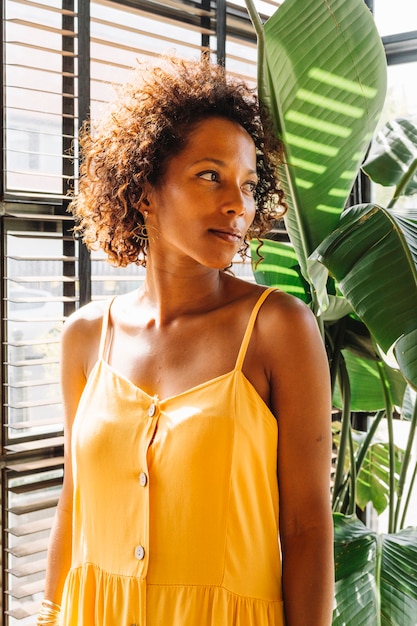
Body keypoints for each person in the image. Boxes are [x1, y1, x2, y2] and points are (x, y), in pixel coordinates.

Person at [38, 55, 334, 626]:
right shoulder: (85, 338)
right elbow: (74, 502)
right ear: (144, 189)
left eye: (248, 187)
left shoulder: (277, 328)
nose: (237, 205)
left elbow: (306, 526)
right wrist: (48, 615)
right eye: (209, 175)